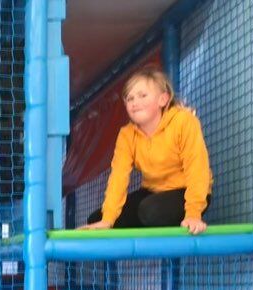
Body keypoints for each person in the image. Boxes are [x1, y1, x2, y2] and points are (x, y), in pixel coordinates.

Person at [79, 66, 213, 234]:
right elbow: (118, 177)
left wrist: (193, 214)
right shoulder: (127, 134)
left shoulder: (183, 122)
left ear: (163, 99)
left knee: (150, 211)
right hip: (153, 193)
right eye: (130, 98)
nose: (135, 102)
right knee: (97, 219)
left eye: (143, 95)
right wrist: (107, 219)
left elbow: (197, 169)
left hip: (187, 192)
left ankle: (169, 230)